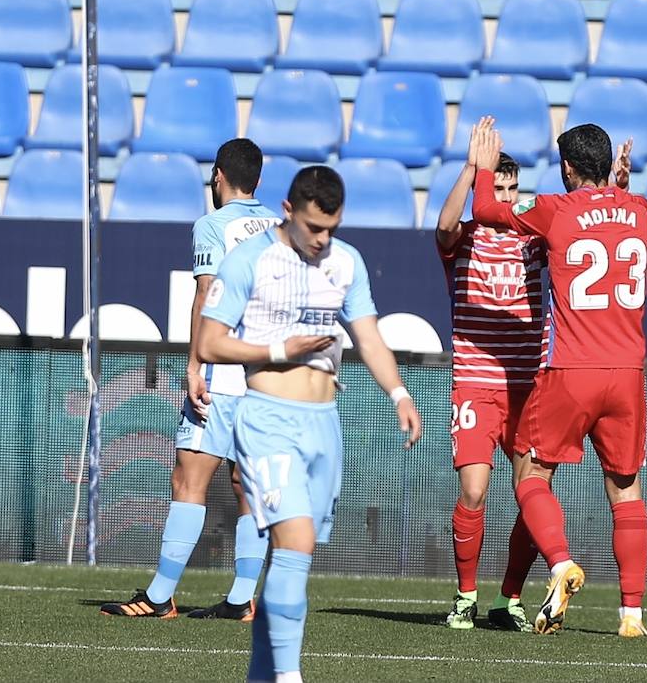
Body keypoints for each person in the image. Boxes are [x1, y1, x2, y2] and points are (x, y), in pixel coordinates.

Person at [196, 166, 423, 683]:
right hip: (267, 420)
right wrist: (279, 350)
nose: (323, 240)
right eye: (314, 228)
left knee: (290, 561)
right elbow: (209, 343)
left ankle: (261, 675)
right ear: (287, 210)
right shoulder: (250, 260)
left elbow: (367, 336)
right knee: (294, 544)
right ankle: (289, 677)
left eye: (332, 229)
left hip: (324, 425)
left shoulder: (346, 263)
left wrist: (399, 393)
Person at [470, 120, 647, 638]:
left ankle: (558, 564)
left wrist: (485, 170)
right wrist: (620, 188)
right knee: (626, 489)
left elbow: (486, 212)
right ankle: (631, 615)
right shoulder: (640, 209)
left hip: (571, 368)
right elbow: (633, 218)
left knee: (531, 475)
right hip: (628, 373)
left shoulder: (556, 207)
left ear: (568, 168)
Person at [101, 138, 281, 621]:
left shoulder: (212, 226)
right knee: (248, 485)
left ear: (218, 176)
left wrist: (194, 365)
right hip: (270, 380)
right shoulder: (280, 230)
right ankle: (243, 598)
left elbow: (207, 295)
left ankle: (159, 596)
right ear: (259, 181)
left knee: (188, 479)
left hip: (224, 373)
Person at [436, 132, 545, 632]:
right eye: (497, 188)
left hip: (527, 387)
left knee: (531, 494)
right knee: (475, 492)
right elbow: (442, 225)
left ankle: (509, 600)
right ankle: (465, 597)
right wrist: (469, 170)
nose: (505, 197)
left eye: (512, 188)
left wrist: (612, 185)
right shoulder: (466, 238)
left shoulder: (533, 238)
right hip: (476, 385)